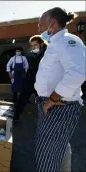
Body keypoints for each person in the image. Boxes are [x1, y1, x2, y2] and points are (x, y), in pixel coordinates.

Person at [33, 7, 85, 172]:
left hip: (58, 107)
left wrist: (53, 99)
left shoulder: (68, 41)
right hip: (52, 106)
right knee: (58, 147)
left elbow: (78, 73)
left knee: (45, 155)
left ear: (53, 23)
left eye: (41, 25)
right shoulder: (55, 43)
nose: (39, 29)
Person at [13, 35, 47, 122]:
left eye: (35, 45)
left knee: (44, 103)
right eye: (32, 45)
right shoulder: (30, 54)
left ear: (41, 44)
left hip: (42, 83)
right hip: (29, 82)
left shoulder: (48, 55)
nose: (33, 47)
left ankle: (47, 120)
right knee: (21, 101)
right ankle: (15, 118)